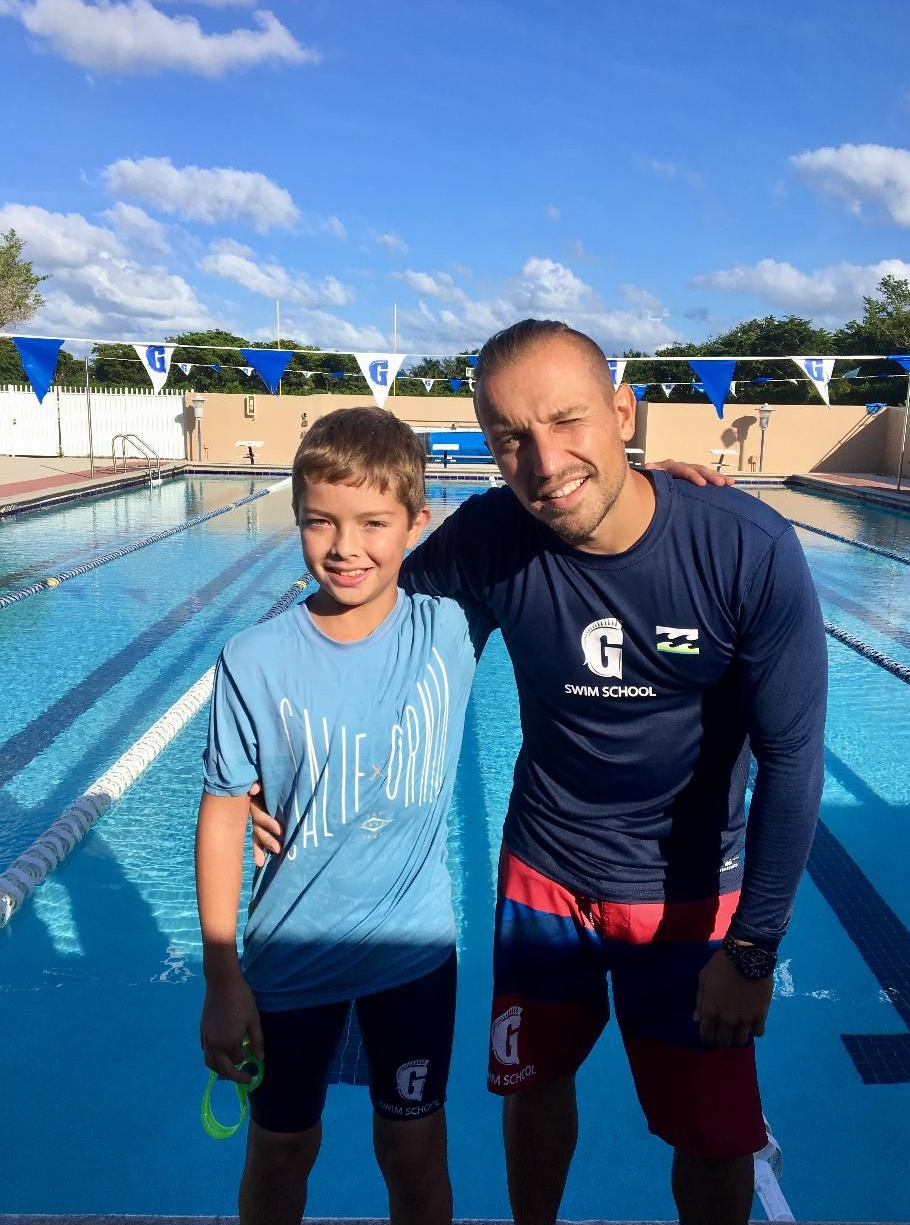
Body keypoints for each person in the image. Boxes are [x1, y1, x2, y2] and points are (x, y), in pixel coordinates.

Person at [252, 319, 826, 1225]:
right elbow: (366, 605)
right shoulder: (492, 536)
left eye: (568, 422)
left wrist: (752, 949)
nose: (545, 459)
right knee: (535, 1086)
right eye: (511, 436)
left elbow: (793, 761)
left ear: (624, 415)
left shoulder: (745, 549)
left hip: (686, 895)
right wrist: (267, 763)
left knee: (714, 1135)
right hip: (544, 876)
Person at [195, 407, 492, 1225]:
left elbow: (554, 516)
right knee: (283, 1150)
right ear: (294, 516)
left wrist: (662, 482)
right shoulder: (253, 659)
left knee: (413, 1152)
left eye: (373, 523)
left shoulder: (454, 627)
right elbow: (223, 815)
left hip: (413, 953)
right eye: (320, 520)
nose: (344, 546)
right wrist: (223, 980)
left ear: (416, 524)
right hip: (291, 958)